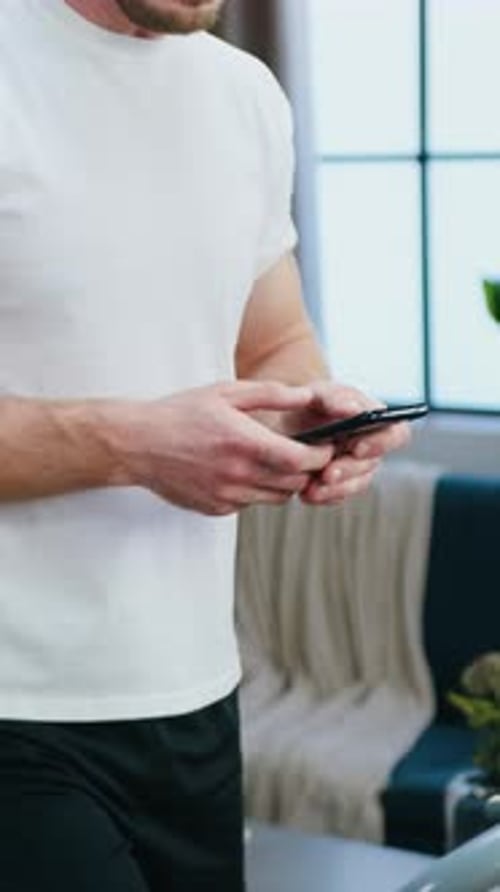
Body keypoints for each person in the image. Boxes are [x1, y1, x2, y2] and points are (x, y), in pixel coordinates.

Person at [0, 1, 410, 890]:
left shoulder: (244, 94)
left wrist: (315, 416)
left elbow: (273, 344)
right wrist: (130, 445)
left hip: (192, 695)